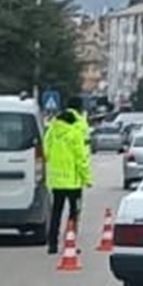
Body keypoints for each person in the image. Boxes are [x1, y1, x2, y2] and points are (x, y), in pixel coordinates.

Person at [43, 109, 92, 254]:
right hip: (73, 183)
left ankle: (52, 244)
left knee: (56, 212)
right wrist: (87, 178)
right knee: (73, 212)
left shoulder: (51, 133)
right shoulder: (74, 134)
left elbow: (46, 152)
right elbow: (81, 159)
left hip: (57, 182)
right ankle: (70, 243)